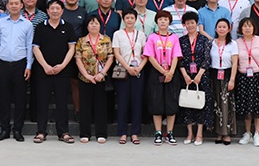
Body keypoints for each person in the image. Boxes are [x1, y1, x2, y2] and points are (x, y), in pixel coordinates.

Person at [31, 0, 76, 143]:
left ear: (62, 11)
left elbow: (72, 48)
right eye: (52, 8)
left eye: (58, 8)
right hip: (43, 71)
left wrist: (62, 65)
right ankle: (41, 132)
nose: (55, 11)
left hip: (62, 71)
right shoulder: (40, 27)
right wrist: (45, 66)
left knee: (62, 102)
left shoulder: (68, 27)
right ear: (47, 11)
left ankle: (63, 132)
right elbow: (35, 48)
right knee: (42, 102)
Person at [0, 0, 35, 142]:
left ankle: (18, 129)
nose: (14, 6)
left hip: (20, 64)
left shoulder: (27, 24)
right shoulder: (1, 22)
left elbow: (29, 46)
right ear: (7, 6)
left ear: (21, 5)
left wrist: (28, 66)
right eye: (11, 4)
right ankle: (4, 129)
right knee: (3, 98)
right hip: (3, 64)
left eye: (17, 3)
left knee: (20, 99)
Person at [143, 10, 182, 145]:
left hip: (172, 71)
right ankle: (158, 132)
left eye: (165, 19)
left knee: (171, 103)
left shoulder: (174, 37)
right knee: (156, 102)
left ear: (169, 21)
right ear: (157, 22)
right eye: (160, 19)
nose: (163, 22)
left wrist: (170, 72)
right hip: (156, 72)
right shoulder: (152, 37)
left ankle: (170, 132)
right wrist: (163, 71)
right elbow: (150, 56)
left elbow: (176, 55)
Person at [74, 16, 114, 143]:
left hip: (101, 78)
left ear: (100, 25)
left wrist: (102, 73)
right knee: (85, 106)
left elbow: (110, 57)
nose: (94, 25)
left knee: (101, 106)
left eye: (96, 23)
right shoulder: (81, 41)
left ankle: (101, 133)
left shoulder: (106, 40)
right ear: (87, 26)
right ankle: (84, 133)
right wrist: (86, 75)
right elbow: (78, 58)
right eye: (91, 23)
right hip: (85, 78)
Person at [234, 18, 259, 147]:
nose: (247, 28)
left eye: (250, 26)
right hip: (243, 77)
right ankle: (247, 133)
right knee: (246, 107)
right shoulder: (237, 42)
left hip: (258, 76)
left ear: (254, 28)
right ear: (240, 28)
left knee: (258, 106)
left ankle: (257, 133)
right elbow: (235, 61)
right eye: (244, 26)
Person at [112, 9, 147, 145]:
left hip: (138, 71)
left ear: (136, 19)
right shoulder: (118, 34)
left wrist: (139, 67)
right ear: (123, 19)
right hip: (123, 71)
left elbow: (146, 54)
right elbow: (117, 53)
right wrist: (128, 68)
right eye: (127, 18)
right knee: (123, 102)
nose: (130, 20)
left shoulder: (141, 35)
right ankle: (122, 132)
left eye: (132, 18)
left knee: (137, 102)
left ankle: (134, 133)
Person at [177, 12, 213, 146]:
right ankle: (189, 133)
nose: (190, 25)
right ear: (184, 25)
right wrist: (185, 75)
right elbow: (179, 59)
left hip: (201, 76)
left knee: (200, 103)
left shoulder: (204, 40)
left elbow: (207, 59)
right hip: (186, 76)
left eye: (192, 23)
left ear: (197, 24)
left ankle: (199, 133)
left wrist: (199, 74)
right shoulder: (181, 40)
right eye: (187, 23)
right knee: (187, 103)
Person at [209, 18, 238, 144]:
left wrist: (232, 79)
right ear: (216, 29)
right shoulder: (211, 43)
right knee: (215, 104)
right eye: (219, 27)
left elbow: (235, 63)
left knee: (226, 105)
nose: (221, 29)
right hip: (214, 75)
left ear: (229, 29)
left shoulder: (233, 44)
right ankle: (218, 133)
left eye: (224, 27)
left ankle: (227, 133)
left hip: (227, 75)